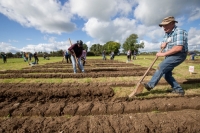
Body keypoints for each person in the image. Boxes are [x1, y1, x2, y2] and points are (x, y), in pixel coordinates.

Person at [142, 16, 188, 96]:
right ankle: (178, 90)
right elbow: (163, 44)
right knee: (166, 74)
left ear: (172, 23)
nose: (164, 27)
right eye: (163, 25)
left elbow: (178, 48)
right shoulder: (167, 34)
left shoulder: (179, 31)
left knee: (161, 66)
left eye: (166, 25)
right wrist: (162, 45)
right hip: (170, 55)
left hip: (179, 54)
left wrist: (162, 54)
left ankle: (150, 85)